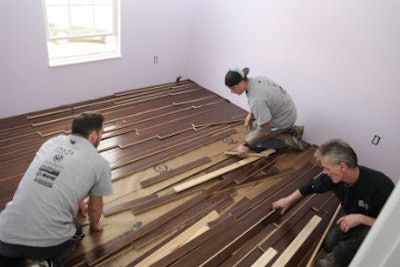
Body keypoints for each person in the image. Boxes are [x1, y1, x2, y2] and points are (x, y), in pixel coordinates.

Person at [0, 112, 113, 267]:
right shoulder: (100, 164)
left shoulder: (52, 142)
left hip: (4, 234)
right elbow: (94, 208)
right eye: (101, 133)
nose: (101, 137)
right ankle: (46, 262)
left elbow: (56, 176)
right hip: (43, 245)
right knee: (77, 229)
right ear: (94, 136)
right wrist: (96, 226)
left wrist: (77, 198)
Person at [271, 139, 394, 267]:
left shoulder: (381, 186)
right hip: (351, 213)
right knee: (329, 244)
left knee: (349, 248)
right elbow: (312, 186)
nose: (324, 172)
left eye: (326, 168)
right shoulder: (336, 178)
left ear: (342, 167)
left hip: (374, 223)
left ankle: (337, 259)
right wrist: (288, 200)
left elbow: (392, 225)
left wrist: (361, 218)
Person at [224, 67, 306, 158]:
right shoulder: (257, 79)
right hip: (287, 110)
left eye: (233, 88)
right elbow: (263, 100)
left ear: (242, 83)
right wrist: (251, 114)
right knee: (254, 127)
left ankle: (287, 141)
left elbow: (266, 129)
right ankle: (292, 130)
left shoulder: (256, 100)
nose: (231, 92)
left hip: (284, 119)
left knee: (256, 144)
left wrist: (245, 145)